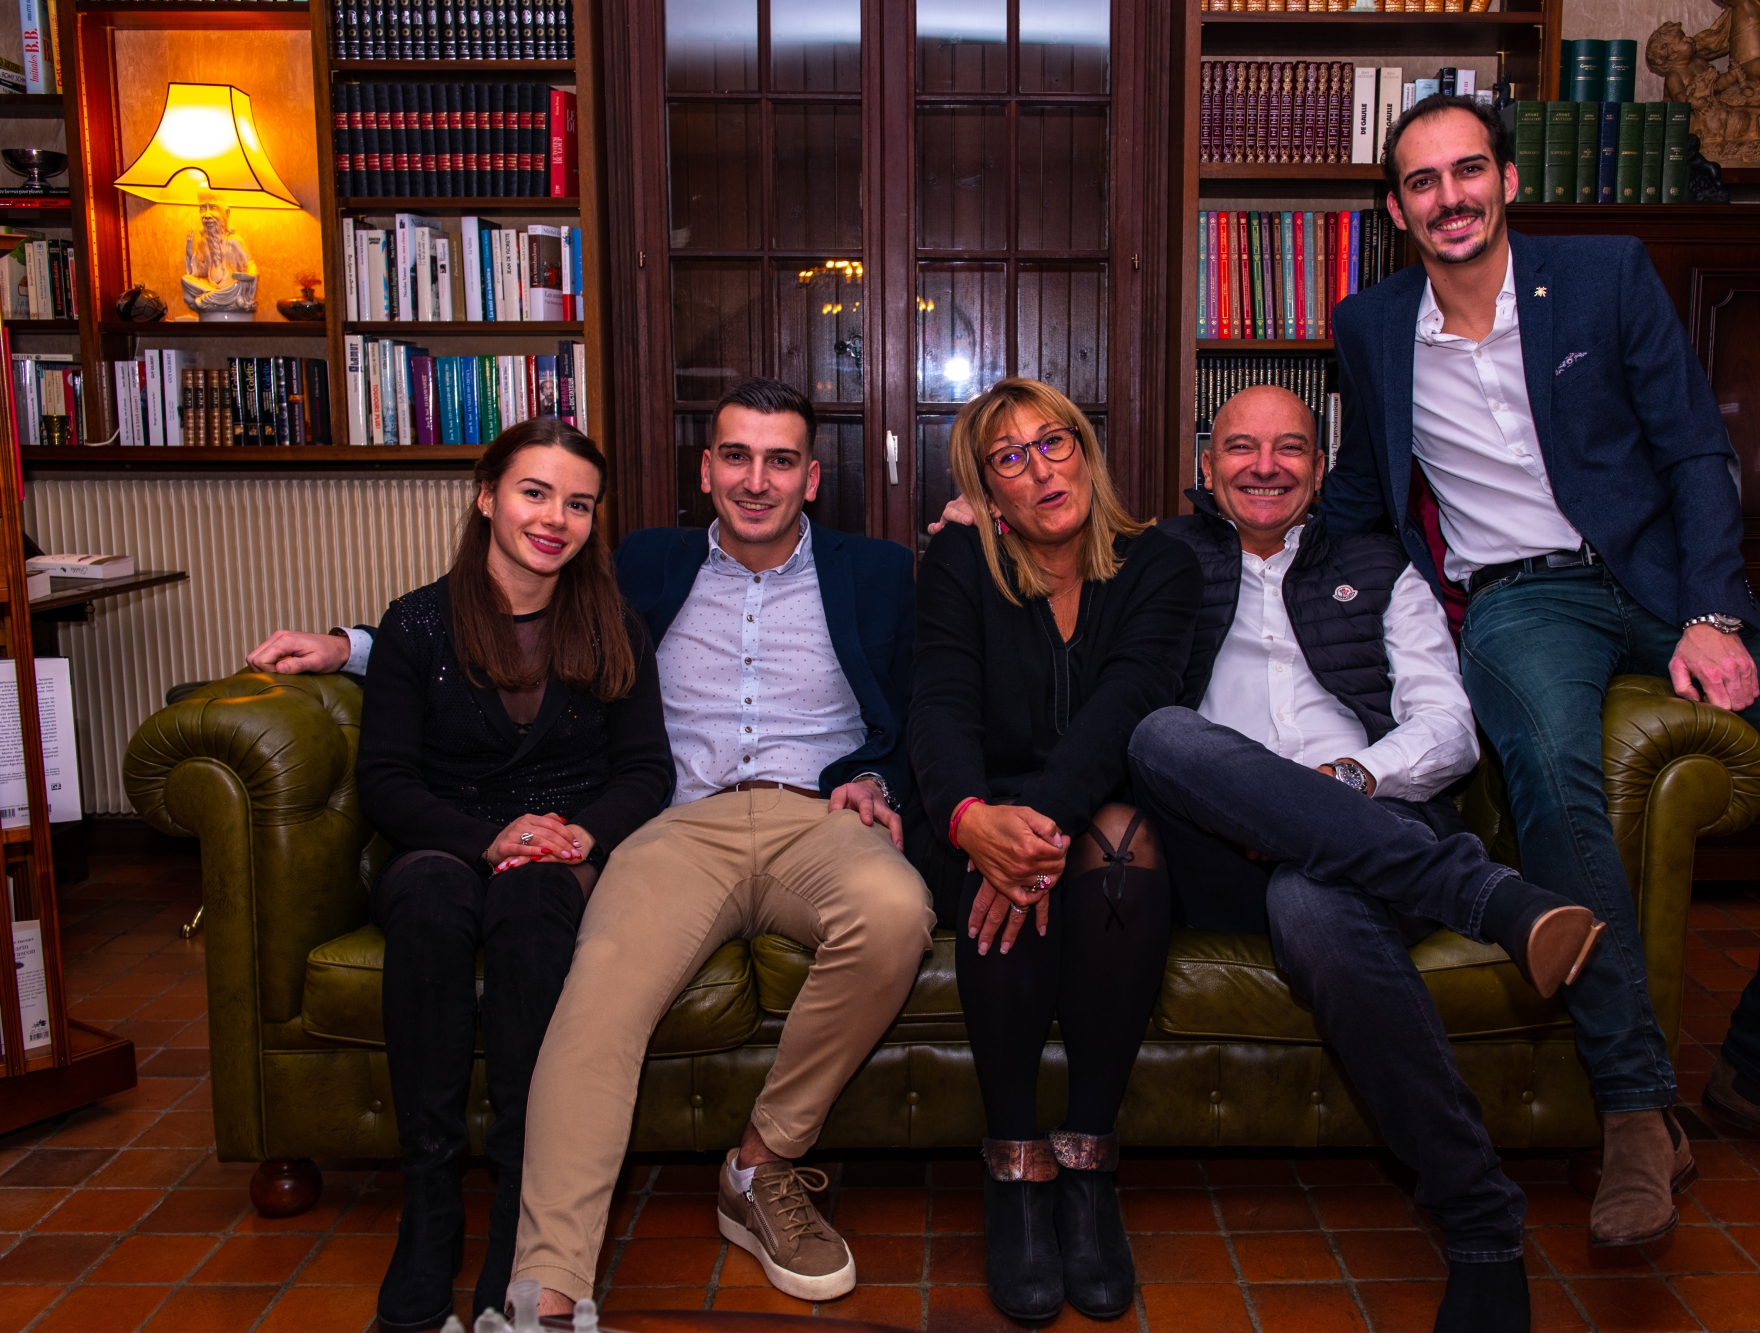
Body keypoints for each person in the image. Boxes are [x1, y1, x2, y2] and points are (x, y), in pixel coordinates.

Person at [1327, 94, 1760, 1250]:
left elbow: (1693, 447)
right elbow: (1355, 489)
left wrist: (1708, 612)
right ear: (1396, 210)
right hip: (1519, 602)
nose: (1448, 197)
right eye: (1421, 182)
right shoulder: (1370, 323)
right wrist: (1188, 543)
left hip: (1663, 582)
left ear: (1505, 181)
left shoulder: (1603, 276)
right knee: (1558, 787)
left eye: (1466, 170)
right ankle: (1637, 1111)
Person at [250, 378, 935, 1317]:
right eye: (737, 456)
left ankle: (762, 1160)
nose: (757, 480)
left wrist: (879, 777)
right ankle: (547, 1289)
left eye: (781, 461)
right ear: (706, 469)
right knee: (597, 996)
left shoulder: (882, 572)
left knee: (896, 912)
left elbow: (931, 701)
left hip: (819, 814)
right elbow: (513, 604)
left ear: (811, 478)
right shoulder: (646, 560)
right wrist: (352, 647)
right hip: (678, 824)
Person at [1123, 383, 1608, 1332]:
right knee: (1163, 733)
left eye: (1290, 448)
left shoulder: (1383, 565)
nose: (1265, 466)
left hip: (1366, 838)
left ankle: (1481, 1225)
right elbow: (1052, 563)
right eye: (1241, 446)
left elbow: (1448, 727)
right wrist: (979, 517)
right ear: (1206, 465)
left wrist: (1345, 782)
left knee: (1312, 903)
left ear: (1320, 467)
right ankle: (1489, 898)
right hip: (1216, 848)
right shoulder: (1158, 558)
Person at [355, 419, 671, 1330]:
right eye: (535, 493)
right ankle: (430, 1203)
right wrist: (488, 837)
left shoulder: (613, 623)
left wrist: (578, 834)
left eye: (578, 504)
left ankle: (517, 1219)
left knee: (533, 903)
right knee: (429, 893)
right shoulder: (417, 623)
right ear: (487, 495)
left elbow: (646, 770)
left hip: (561, 851)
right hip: (446, 838)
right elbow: (385, 781)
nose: (554, 518)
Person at [906, 377, 1202, 1324]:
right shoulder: (961, 560)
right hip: (978, 813)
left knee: (1121, 853)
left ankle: (1087, 1161)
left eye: (1054, 442)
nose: (1040, 468)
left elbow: (1129, 702)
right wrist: (968, 818)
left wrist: (1033, 830)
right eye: (1009, 456)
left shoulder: (1160, 563)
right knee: (1007, 863)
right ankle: (1015, 1165)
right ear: (988, 490)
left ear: (1085, 450)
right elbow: (938, 703)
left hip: (1105, 811)